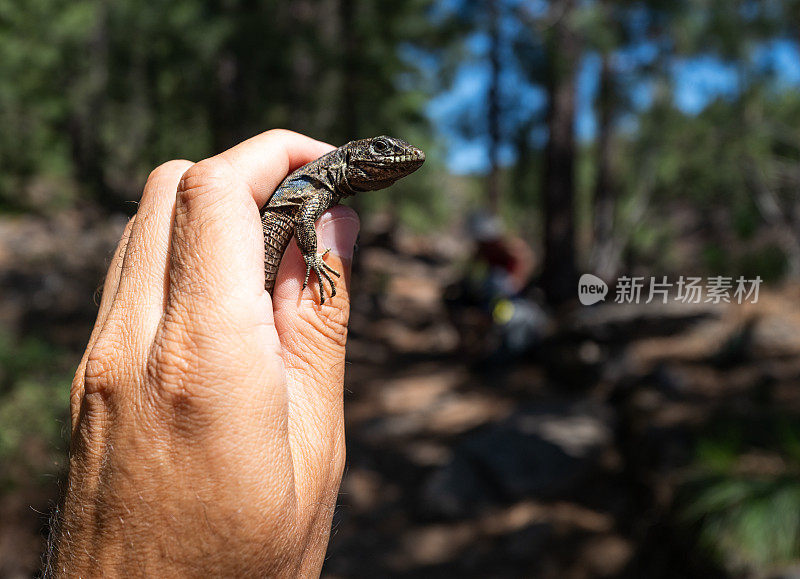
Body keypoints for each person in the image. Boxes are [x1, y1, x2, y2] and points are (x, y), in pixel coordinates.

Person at [47, 130, 359, 577]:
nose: (401, 158)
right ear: (353, 160)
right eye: (383, 151)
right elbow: (307, 216)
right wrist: (315, 256)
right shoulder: (318, 187)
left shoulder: (320, 184)